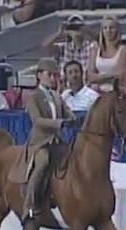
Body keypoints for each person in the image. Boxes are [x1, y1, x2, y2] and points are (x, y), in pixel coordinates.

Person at [22, 58, 76, 221]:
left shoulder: (57, 96)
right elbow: (37, 121)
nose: (53, 78)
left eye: (55, 75)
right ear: (39, 75)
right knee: (42, 163)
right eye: (49, 75)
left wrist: (74, 119)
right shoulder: (33, 97)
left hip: (58, 141)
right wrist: (58, 123)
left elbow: (68, 112)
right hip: (41, 142)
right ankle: (29, 204)